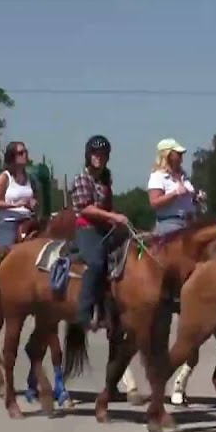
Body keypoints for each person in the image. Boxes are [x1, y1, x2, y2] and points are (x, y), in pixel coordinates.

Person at [70, 134, 129, 330]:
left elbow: (107, 207)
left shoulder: (105, 179)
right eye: (95, 153)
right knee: (96, 262)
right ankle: (83, 313)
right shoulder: (82, 178)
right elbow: (85, 208)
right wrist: (112, 217)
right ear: (88, 155)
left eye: (103, 154)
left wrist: (118, 218)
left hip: (105, 227)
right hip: (87, 228)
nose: (99, 157)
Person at [146, 138, 205, 235]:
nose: (181, 156)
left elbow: (184, 200)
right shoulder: (158, 176)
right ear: (168, 155)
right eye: (178, 153)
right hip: (170, 224)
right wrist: (175, 194)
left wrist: (196, 198)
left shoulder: (183, 175)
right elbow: (154, 202)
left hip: (190, 222)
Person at [0, 141, 38, 251]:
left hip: (28, 220)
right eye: (21, 153)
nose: (25, 155)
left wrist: (33, 204)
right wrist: (15, 205)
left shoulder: (31, 178)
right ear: (12, 157)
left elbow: (37, 201)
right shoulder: (5, 177)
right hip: (9, 222)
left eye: (25, 152)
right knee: (6, 252)